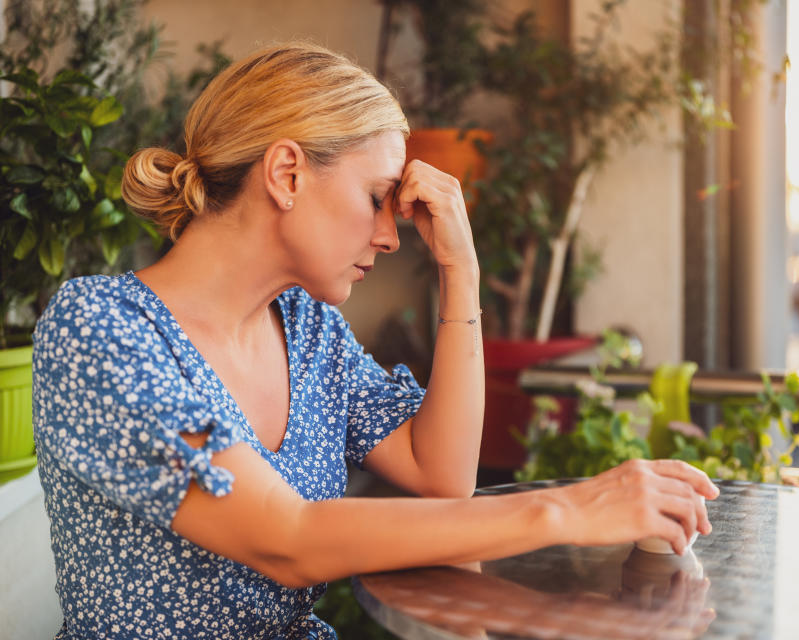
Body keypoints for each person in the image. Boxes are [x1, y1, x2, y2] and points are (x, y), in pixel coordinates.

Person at [32, 42, 719, 640]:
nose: (391, 237)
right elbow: (285, 540)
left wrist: (462, 271)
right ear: (287, 174)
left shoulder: (305, 327)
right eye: (375, 199)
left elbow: (441, 476)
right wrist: (565, 509)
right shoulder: (99, 331)